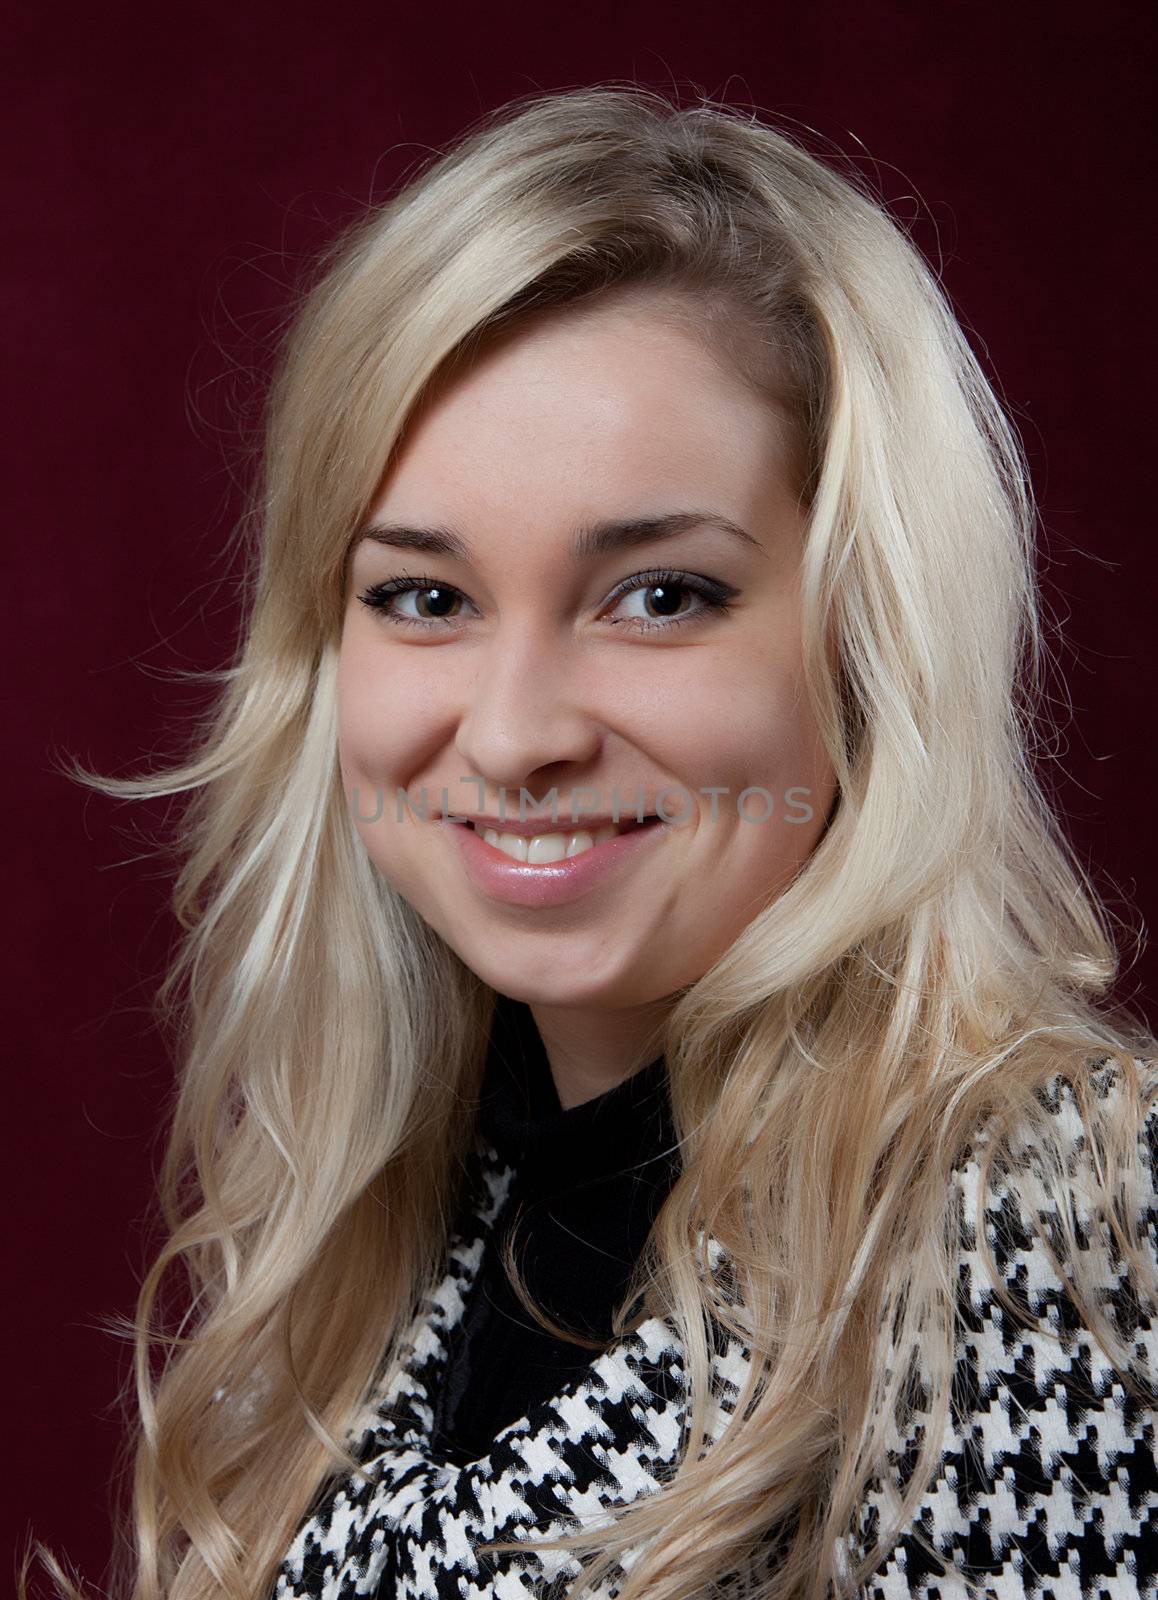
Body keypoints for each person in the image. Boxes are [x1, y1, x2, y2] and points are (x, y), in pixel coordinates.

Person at [32, 83, 1158, 1600]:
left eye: (659, 595)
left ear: (865, 638)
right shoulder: (395, 1243)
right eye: (424, 598)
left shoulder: (1072, 1222)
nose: (513, 736)